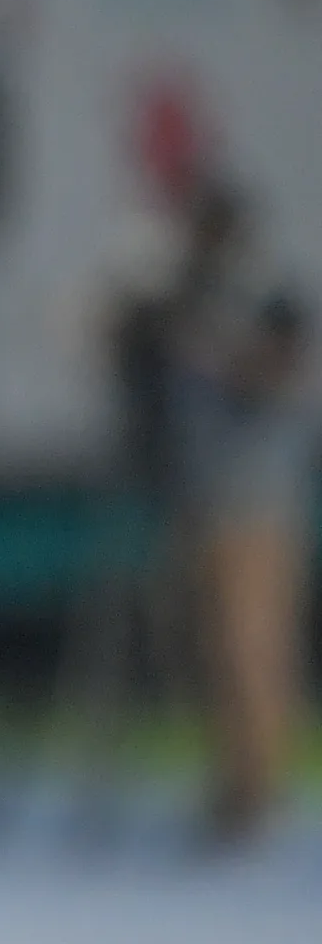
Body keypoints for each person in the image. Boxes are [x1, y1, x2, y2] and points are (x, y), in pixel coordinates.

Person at [175, 270, 316, 847]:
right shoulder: (225, 373)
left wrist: (216, 350)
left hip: (261, 524)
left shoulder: (275, 376)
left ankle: (262, 793)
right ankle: (235, 788)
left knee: (255, 656)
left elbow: (254, 379)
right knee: (224, 658)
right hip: (217, 516)